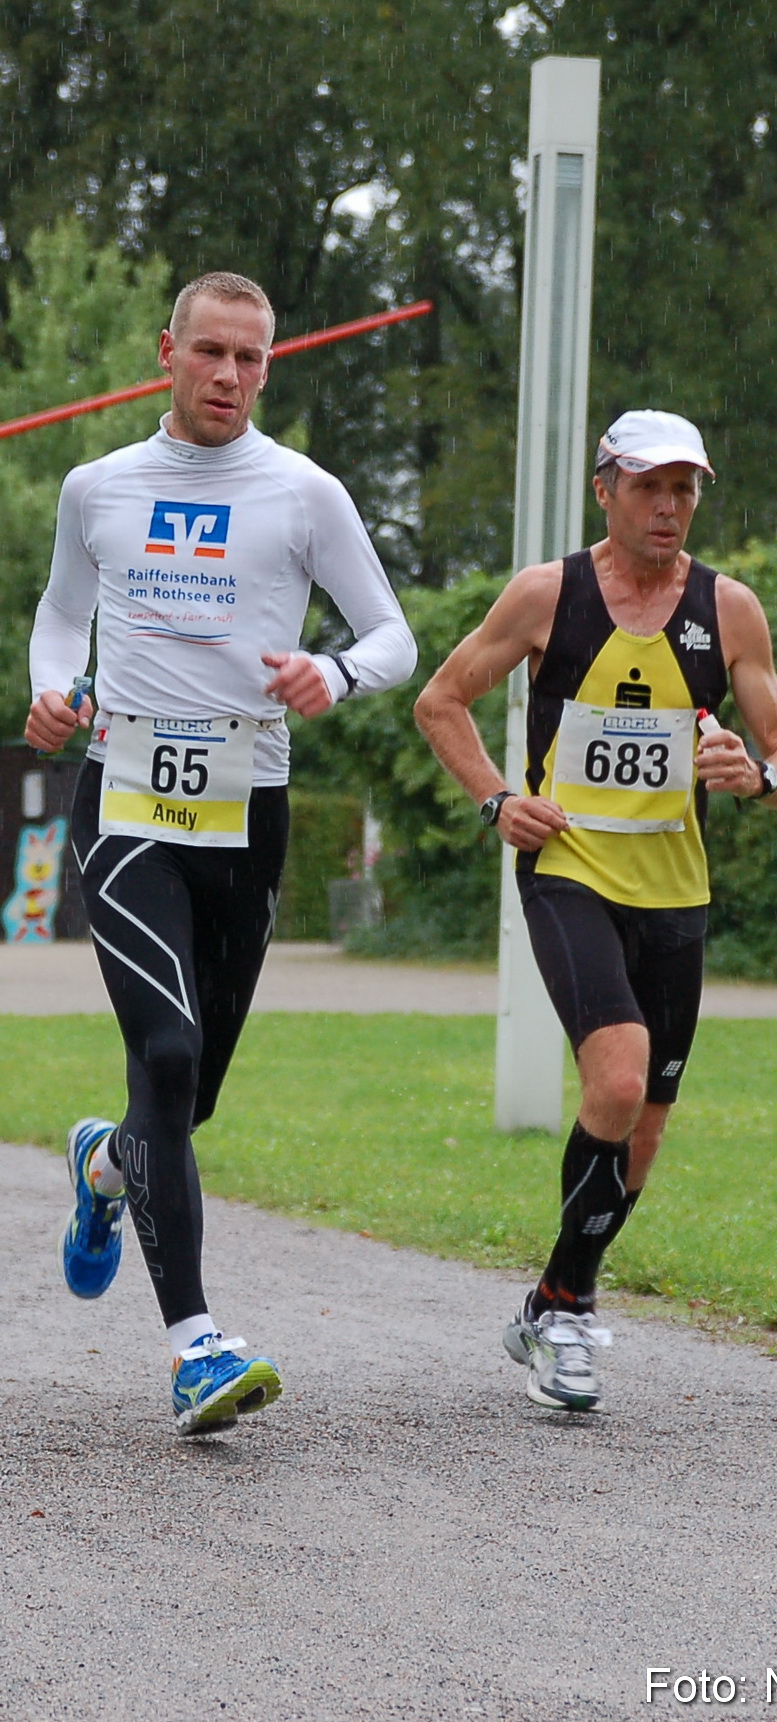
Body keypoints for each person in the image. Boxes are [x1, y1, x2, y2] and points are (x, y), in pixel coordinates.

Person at [26, 271, 417, 1435]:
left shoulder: (304, 493)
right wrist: (52, 692)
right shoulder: (98, 487)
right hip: (128, 801)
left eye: (253, 359)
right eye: (212, 353)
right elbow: (59, 615)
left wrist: (332, 674)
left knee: (182, 1106)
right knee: (170, 1048)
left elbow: (390, 631)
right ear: (168, 353)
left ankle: (105, 1169)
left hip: (248, 811)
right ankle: (197, 1346)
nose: (233, 377)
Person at [414, 409, 777, 1412]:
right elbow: (441, 699)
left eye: (684, 488)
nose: (669, 506)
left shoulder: (730, 611)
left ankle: (555, 1296)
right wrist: (497, 799)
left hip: (676, 893)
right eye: (649, 486)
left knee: (641, 1132)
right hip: (569, 871)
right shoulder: (549, 593)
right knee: (618, 1073)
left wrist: (757, 776)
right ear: (604, 489)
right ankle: (569, 1319)